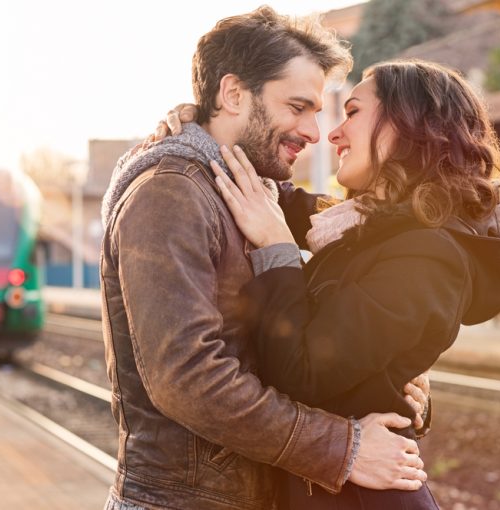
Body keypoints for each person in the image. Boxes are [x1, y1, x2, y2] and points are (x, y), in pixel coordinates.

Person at [100, 7, 429, 510]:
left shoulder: (253, 193)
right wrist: (344, 448)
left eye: (317, 111)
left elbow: (314, 328)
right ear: (233, 94)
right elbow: (186, 378)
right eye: (297, 107)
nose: (315, 131)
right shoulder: (169, 194)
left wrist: (396, 374)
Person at [203, 60, 500, 508]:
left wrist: (278, 250)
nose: (333, 134)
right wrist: (203, 126)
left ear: (410, 125)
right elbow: (268, 190)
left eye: (353, 112)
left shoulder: (428, 255)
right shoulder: (360, 227)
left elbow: (301, 373)